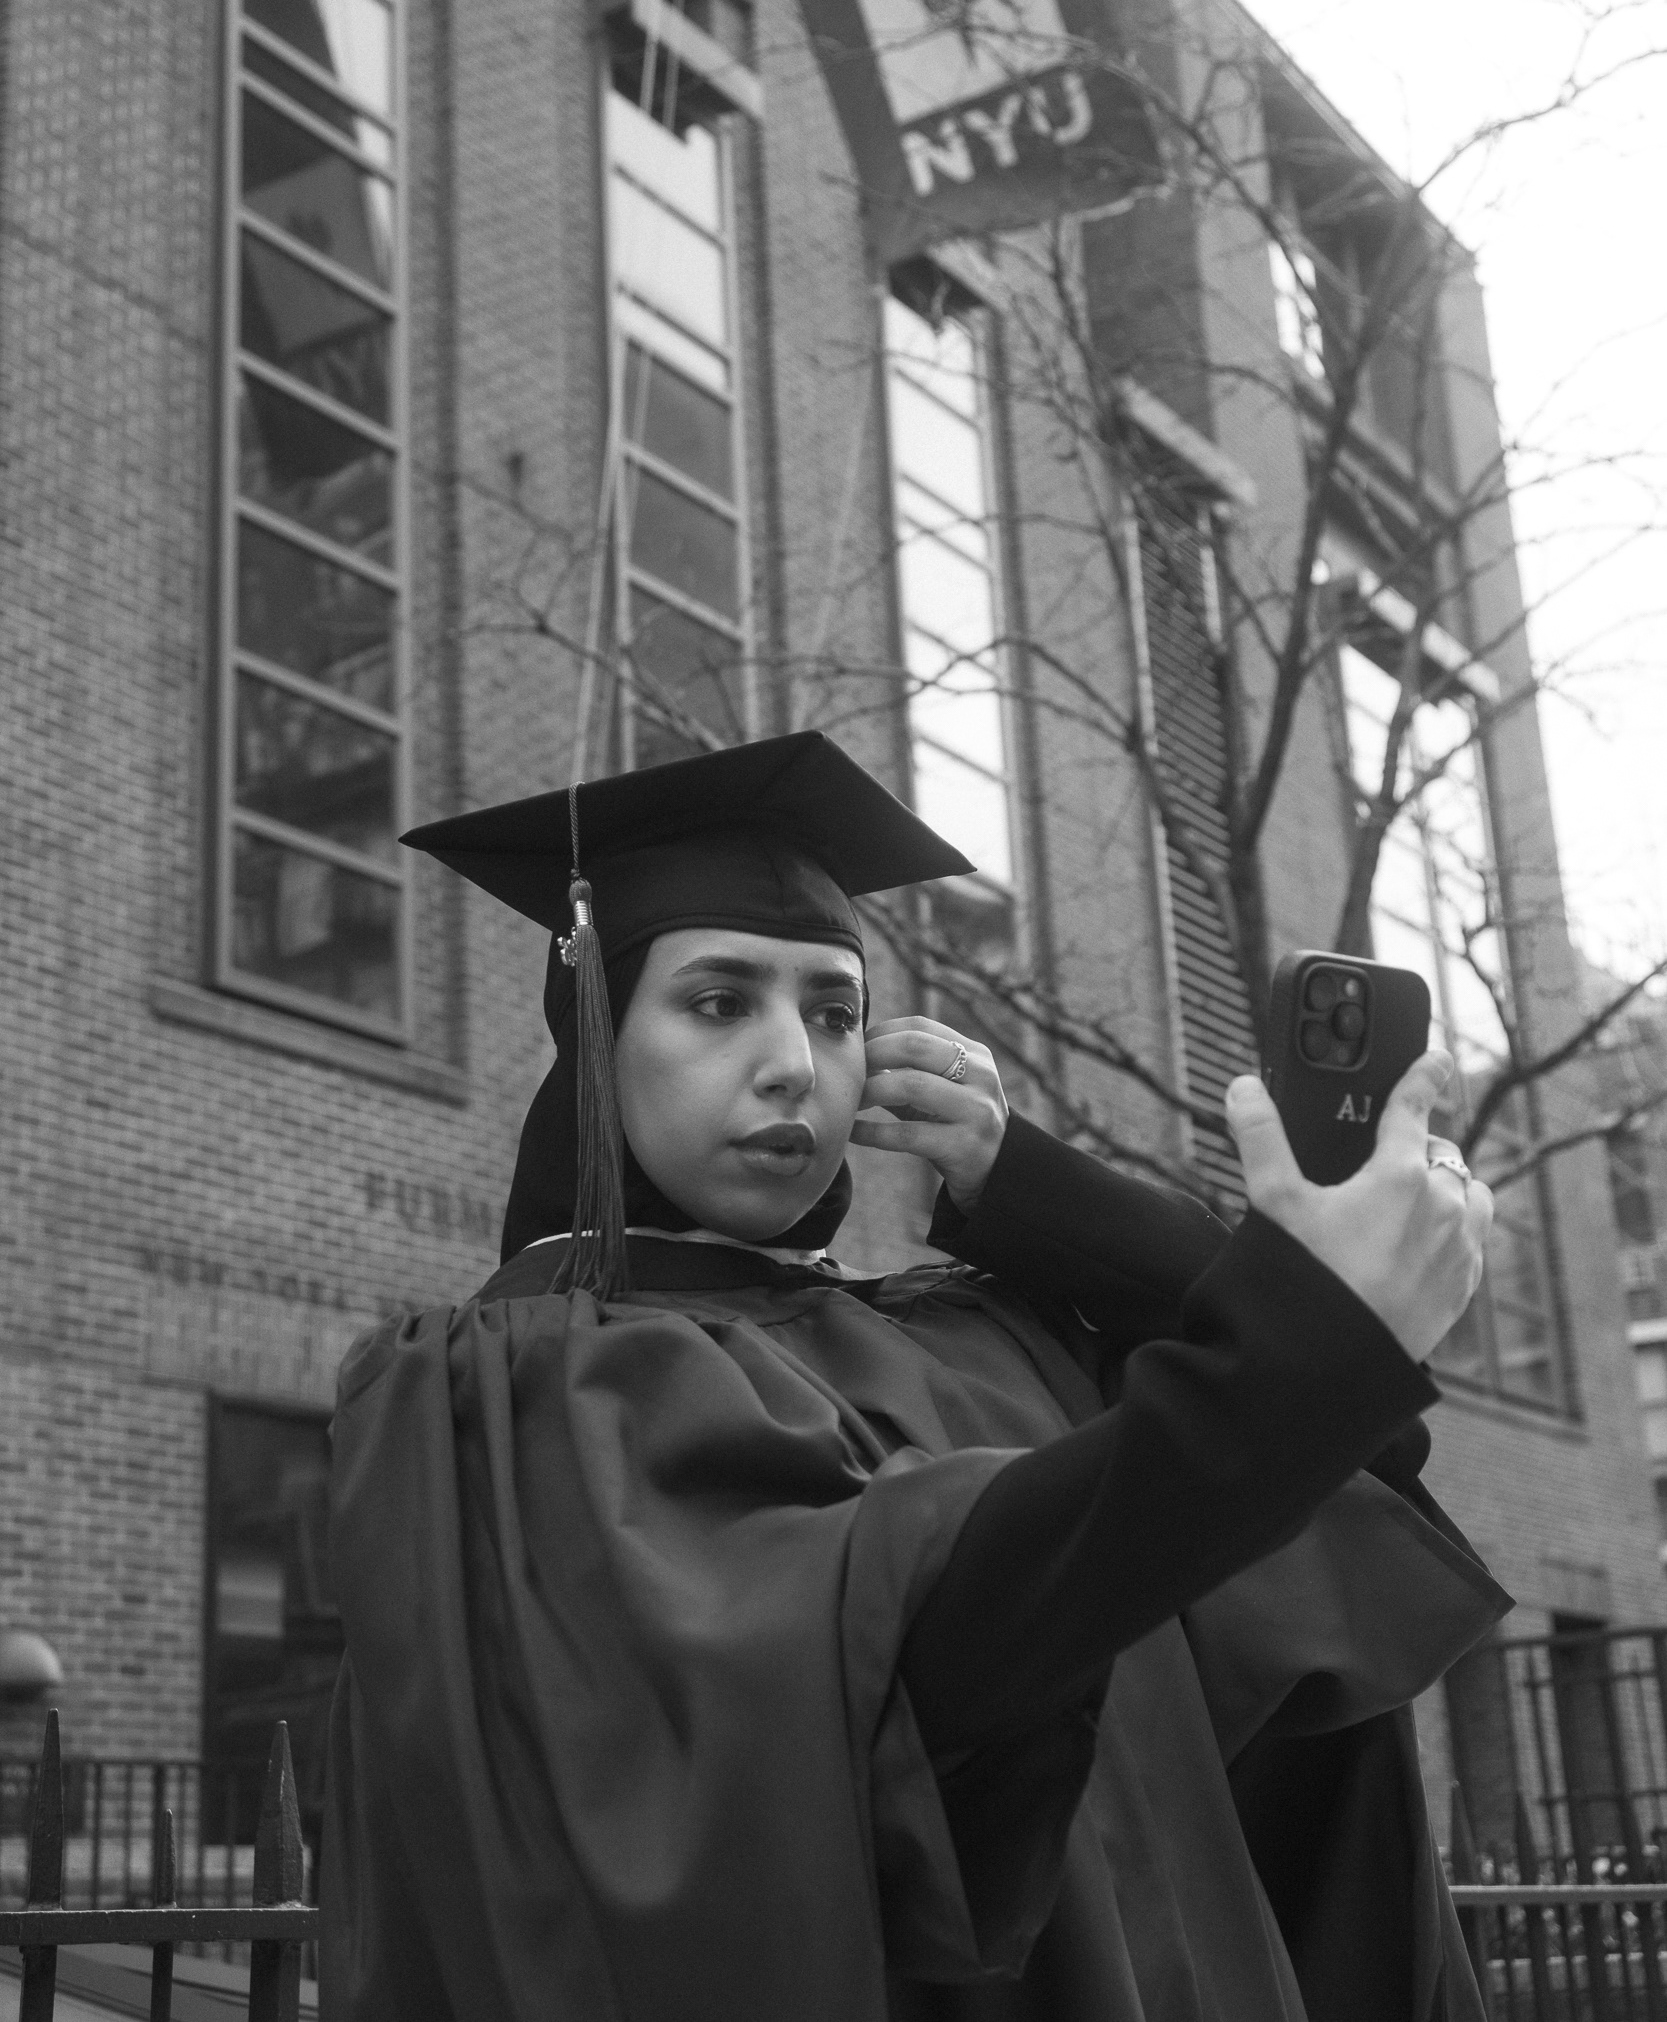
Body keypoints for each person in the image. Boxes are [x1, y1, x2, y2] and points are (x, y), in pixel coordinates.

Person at [320, 731, 1505, 2022]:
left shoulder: (971, 1334)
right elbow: (908, 1653)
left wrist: (1029, 1182)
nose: (794, 1062)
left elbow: (1340, 1475)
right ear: (596, 1038)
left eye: (834, 1011)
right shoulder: (521, 1389)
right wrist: (1300, 1357)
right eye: (720, 1001)